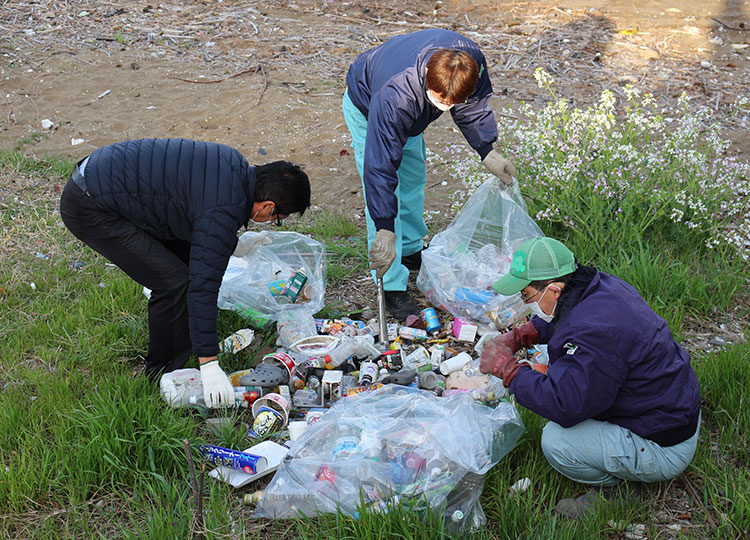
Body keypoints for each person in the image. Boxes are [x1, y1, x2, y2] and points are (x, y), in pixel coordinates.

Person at [60, 138, 311, 408]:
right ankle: (160, 375)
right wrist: (210, 364)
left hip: (103, 178)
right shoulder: (223, 208)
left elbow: (201, 224)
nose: (271, 222)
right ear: (267, 206)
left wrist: (232, 245)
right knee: (172, 282)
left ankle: (181, 352)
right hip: (90, 206)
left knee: (185, 265)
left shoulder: (232, 164)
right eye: (277, 219)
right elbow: (203, 287)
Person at [480, 237, 700, 518]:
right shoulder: (597, 286)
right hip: (671, 409)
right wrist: (524, 334)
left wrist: (509, 371)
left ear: (554, 290)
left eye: (526, 295)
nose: (524, 302)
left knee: (557, 441)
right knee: (555, 367)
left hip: (664, 444)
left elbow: (565, 405)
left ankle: (617, 491)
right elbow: (566, 318)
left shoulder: (593, 334)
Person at [342, 29, 516, 319]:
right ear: (426, 76)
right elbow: (380, 168)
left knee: (413, 179)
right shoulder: (394, 95)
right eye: (441, 100)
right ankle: (391, 285)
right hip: (367, 104)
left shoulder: (469, 61)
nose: (446, 107)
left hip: (412, 115)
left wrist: (487, 151)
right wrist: (385, 226)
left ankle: (409, 249)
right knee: (390, 191)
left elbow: (473, 106)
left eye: (452, 104)